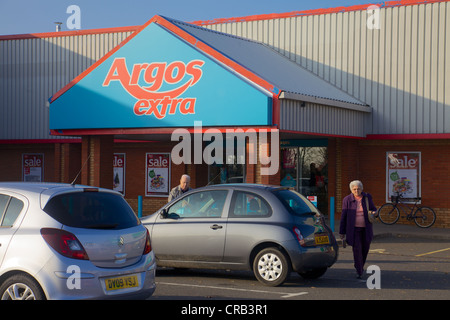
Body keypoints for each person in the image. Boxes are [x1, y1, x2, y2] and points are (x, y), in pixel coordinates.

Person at [339, 180, 377, 279]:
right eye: (354, 189)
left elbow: (373, 209)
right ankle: (359, 270)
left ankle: (360, 265)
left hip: (366, 228)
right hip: (353, 230)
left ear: (362, 189)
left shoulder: (367, 197)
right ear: (351, 190)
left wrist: (374, 213)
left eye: (358, 189)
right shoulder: (347, 199)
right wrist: (341, 232)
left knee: (365, 249)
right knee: (357, 249)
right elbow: (343, 216)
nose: (356, 191)